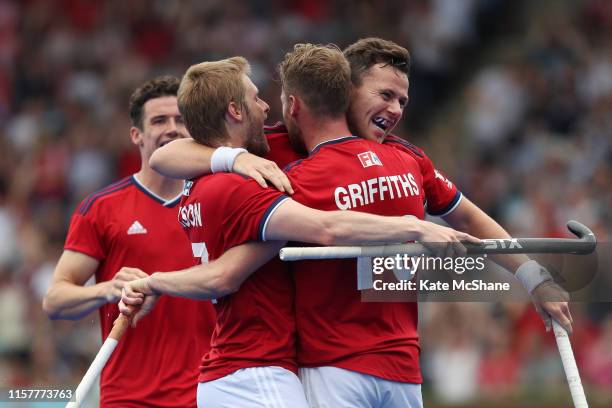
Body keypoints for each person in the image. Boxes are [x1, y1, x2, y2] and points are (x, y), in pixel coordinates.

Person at [142, 39, 572, 407]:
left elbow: (469, 216)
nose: (395, 109)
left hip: (395, 363)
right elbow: (166, 158)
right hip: (323, 364)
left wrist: (534, 276)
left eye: (402, 100)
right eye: (384, 95)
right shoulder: (276, 153)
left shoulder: (406, 157)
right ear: (346, 92)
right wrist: (235, 157)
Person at [41, 76, 288, 407]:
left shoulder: (223, 194)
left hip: (210, 389)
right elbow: (55, 300)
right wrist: (109, 288)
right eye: (159, 121)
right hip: (130, 397)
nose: (172, 129)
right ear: (136, 135)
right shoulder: (102, 209)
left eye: (180, 120)